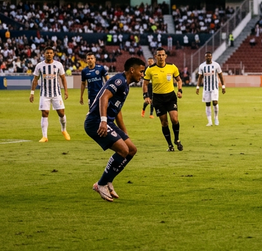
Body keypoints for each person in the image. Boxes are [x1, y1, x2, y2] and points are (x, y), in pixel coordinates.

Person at [84, 57, 146, 202]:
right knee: (123, 150)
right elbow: (103, 98)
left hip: (108, 122)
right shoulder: (119, 81)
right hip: (96, 122)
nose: (142, 75)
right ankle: (101, 184)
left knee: (131, 149)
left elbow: (117, 110)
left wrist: (124, 131)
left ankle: (108, 179)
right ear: (132, 70)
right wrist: (103, 122)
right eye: (141, 71)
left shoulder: (126, 85)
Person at [143, 48, 184, 151]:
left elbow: (179, 80)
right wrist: (146, 96)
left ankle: (177, 139)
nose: (161, 57)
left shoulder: (172, 67)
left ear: (166, 56)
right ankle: (170, 145)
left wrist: (180, 90)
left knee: (174, 119)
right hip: (158, 98)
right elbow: (145, 84)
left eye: (162, 55)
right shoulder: (150, 69)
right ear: (155, 57)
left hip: (170, 96)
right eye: (159, 55)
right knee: (164, 122)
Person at [29, 46, 70, 143]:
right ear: (44, 54)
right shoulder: (39, 66)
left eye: (51, 53)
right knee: (44, 113)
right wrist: (32, 93)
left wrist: (66, 91)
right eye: (47, 53)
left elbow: (63, 78)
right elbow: (35, 80)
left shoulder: (58, 65)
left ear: (53, 54)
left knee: (61, 113)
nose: (49, 54)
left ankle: (63, 130)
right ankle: (45, 136)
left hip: (56, 93)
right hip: (44, 94)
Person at [196, 51, 226, 126]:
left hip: (214, 87)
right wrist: (197, 87)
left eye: (209, 56)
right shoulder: (202, 66)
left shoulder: (216, 65)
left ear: (211, 57)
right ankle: (209, 121)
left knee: (215, 102)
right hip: (206, 88)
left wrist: (223, 86)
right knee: (207, 104)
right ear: (205, 57)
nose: (208, 57)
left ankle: (216, 118)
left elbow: (221, 75)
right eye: (207, 56)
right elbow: (200, 77)